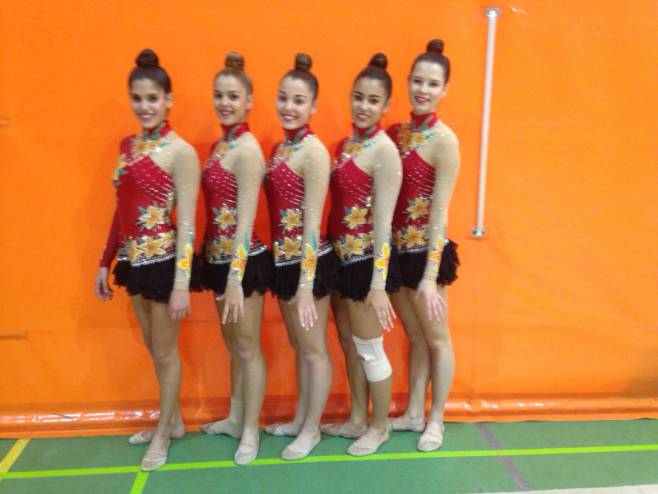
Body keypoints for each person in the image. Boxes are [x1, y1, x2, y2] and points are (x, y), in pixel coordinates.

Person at [94, 48, 200, 471]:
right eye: (137, 99)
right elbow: (120, 210)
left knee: (166, 352)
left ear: (168, 100)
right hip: (132, 261)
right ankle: (172, 421)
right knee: (155, 348)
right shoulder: (128, 146)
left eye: (152, 98)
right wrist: (105, 260)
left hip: (163, 263)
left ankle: (163, 432)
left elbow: (188, 224)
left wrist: (181, 284)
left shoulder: (181, 152)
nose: (144, 107)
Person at [322, 53, 402, 456]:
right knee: (349, 342)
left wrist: (378, 284)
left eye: (373, 100)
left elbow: (384, 224)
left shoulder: (385, 151)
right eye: (358, 97)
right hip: (339, 260)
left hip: (366, 265)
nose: (363, 106)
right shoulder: (344, 146)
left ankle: (380, 425)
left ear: (386, 106)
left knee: (370, 348)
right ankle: (357, 417)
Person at [196, 52, 272, 466]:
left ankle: (251, 430)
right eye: (218, 95)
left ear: (249, 101)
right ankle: (235, 416)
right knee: (232, 346)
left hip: (243, 264)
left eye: (232, 96)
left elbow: (245, 221)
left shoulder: (247, 150)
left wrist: (235, 277)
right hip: (218, 260)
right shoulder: (219, 146)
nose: (224, 103)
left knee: (247, 346)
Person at [262, 53, 338, 460]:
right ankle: (299, 418)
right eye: (283, 98)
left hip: (309, 265)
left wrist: (307, 285)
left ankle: (312, 429)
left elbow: (312, 224)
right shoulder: (279, 149)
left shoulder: (314, 152)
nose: (288, 107)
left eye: (298, 101)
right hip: (284, 262)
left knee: (313, 349)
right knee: (299, 345)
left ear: (313, 107)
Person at [387, 39, 461, 452]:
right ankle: (413, 412)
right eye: (417, 81)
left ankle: (436, 419)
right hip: (398, 252)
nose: (423, 90)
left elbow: (440, 211)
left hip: (427, 252)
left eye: (432, 84)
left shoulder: (445, 141)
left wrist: (431, 276)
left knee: (437, 338)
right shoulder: (396, 134)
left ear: (444, 90)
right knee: (415, 335)